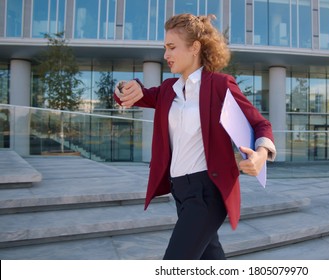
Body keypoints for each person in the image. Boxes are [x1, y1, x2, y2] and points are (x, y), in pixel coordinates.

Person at [114, 13, 276, 260]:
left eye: (171, 47)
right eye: (164, 48)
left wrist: (261, 155)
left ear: (194, 48)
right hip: (180, 191)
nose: (165, 55)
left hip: (206, 192)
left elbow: (259, 123)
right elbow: (134, 95)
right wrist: (127, 87)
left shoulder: (220, 85)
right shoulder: (169, 89)